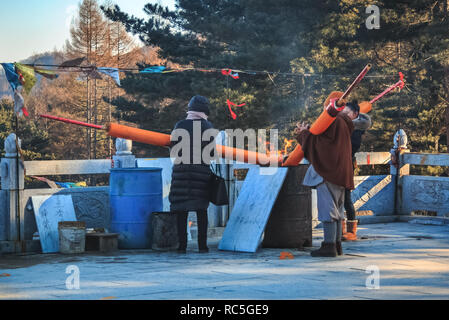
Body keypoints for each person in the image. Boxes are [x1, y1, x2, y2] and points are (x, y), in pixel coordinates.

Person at [295, 100, 359, 257]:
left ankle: (329, 246)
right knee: (337, 211)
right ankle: (336, 245)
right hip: (341, 172)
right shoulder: (346, 124)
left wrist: (304, 133)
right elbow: (326, 140)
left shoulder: (335, 120)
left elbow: (321, 145)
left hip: (329, 172)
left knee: (328, 210)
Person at [168, 95, 216, 253]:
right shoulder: (208, 127)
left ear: (190, 109)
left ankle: (182, 246)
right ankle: (203, 246)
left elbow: (173, 149)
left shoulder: (180, 125)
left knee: (181, 211)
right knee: (201, 211)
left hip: (181, 172)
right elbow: (211, 153)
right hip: (201, 173)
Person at [342, 112, 372, 241]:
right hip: (346, 166)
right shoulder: (354, 132)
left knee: (345, 198)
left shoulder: (353, 135)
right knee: (345, 198)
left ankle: (349, 231)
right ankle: (347, 230)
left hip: (345, 166)